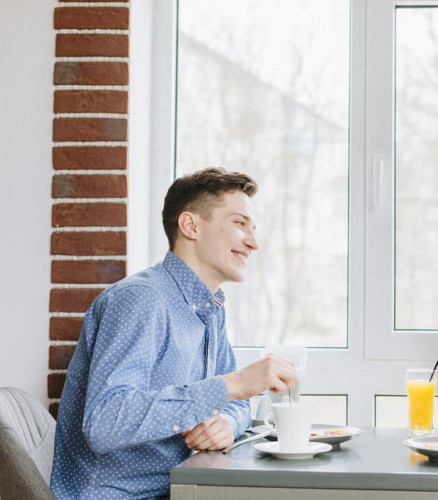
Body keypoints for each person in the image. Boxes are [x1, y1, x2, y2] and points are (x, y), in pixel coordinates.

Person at [51, 168, 297, 499]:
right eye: (240, 224)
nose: (253, 241)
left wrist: (226, 424)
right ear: (191, 226)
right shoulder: (141, 299)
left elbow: (236, 404)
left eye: (253, 228)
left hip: (182, 488)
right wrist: (234, 385)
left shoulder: (210, 308)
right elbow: (105, 423)